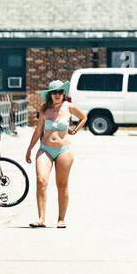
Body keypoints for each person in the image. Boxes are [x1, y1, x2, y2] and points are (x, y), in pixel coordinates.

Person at [25, 79, 86, 228]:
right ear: (50, 94)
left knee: (62, 185)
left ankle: (61, 219)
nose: (57, 95)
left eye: (60, 92)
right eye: (54, 93)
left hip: (64, 151)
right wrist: (29, 149)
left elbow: (84, 117)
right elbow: (39, 130)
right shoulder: (44, 109)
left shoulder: (69, 107)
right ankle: (41, 219)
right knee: (41, 181)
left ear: (63, 93)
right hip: (45, 148)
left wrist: (75, 130)